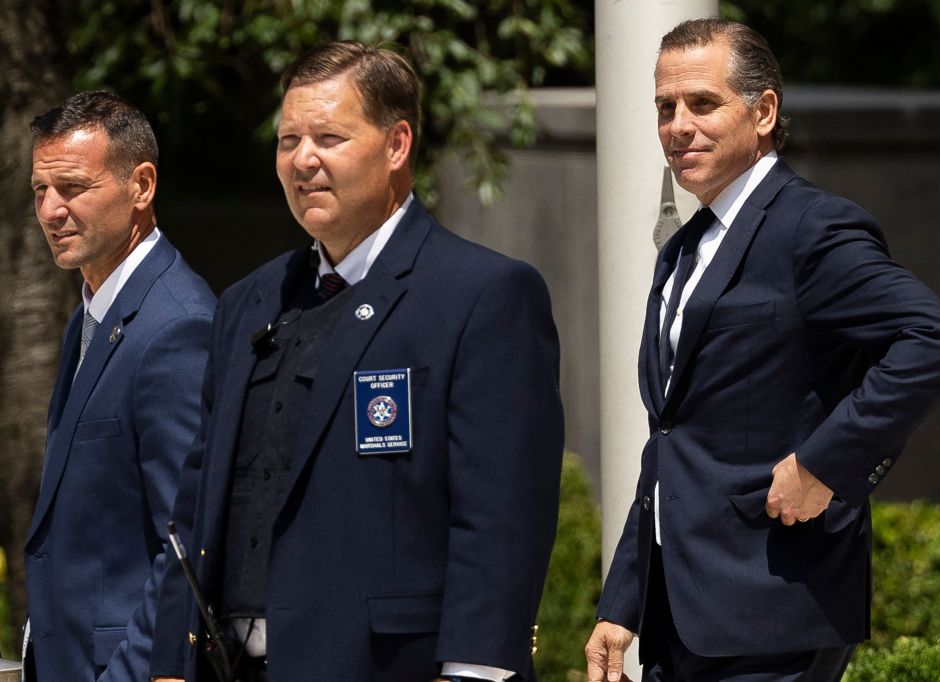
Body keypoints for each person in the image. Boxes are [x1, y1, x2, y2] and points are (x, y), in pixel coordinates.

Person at [150, 41, 563, 682]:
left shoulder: (480, 295)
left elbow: (499, 521)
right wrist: (171, 668)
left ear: (397, 145)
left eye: (329, 137)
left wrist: (474, 673)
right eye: (288, 141)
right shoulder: (247, 302)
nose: (302, 160)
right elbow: (197, 500)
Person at [585, 18, 940, 682]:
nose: (678, 125)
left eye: (702, 103)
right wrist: (623, 600)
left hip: (776, 608)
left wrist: (824, 464)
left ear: (763, 111)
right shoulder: (682, 252)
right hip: (679, 619)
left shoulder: (812, 228)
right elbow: (672, 441)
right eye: (665, 107)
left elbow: (935, 339)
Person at [22, 90, 215, 681]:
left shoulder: (178, 325)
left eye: (74, 188)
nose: (52, 210)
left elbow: (185, 549)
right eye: (40, 191)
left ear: (142, 186)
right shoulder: (90, 313)